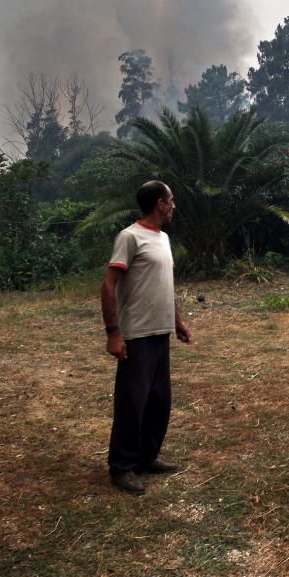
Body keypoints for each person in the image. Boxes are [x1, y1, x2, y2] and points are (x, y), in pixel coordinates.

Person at [100, 180, 192, 495]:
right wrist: (114, 333)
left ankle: (146, 457)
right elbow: (109, 284)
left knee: (158, 402)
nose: (174, 206)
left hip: (160, 332)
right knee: (132, 403)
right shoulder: (129, 237)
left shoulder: (163, 238)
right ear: (159, 203)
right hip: (136, 335)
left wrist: (177, 321)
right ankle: (121, 467)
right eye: (171, 200)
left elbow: (164, 284)